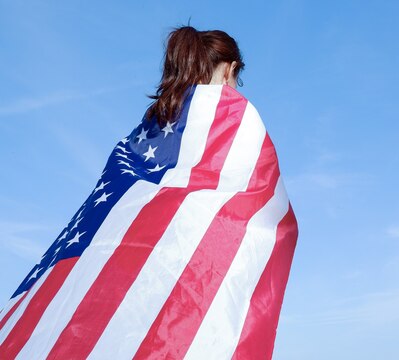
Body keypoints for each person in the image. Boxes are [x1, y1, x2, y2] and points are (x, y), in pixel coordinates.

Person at [0, 25, 298, 360]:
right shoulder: (235, 117)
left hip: (112, 285)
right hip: (181, 290)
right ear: (230, 69)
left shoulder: (149, 128)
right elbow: (267, 217)